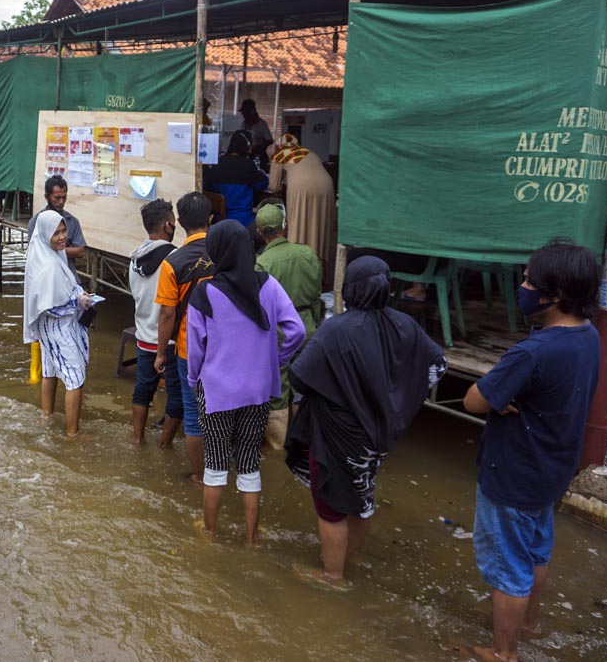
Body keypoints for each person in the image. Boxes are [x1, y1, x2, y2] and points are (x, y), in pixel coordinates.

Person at [462, 241, 600, 662]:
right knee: (535, 551)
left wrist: (497, 394)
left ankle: (503, 652)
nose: (521, 286)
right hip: (552, 469)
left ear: (552, 296)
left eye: (527, 280)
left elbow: (473, 400)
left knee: (508, 568)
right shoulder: (589, 336)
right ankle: (529, 624)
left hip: (513, 474)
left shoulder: (532, 352)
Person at [286, 256, 446, 589]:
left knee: (330, 504)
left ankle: (333, 576)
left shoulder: (337, 328)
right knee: (363, 493)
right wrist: (400, 401)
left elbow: (300, 377)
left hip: (338, 432)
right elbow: (437, 365)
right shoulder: (405, 324)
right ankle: (353, 558)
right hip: (379, 433)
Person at [187, 220, 304, 543]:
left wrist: (193, 378)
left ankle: (209, 531)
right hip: (257, 392)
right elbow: (297, 330)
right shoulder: (268, 285)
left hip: (216, 392)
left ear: (218, 252)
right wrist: (276, 360)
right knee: (250, 465)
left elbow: (196, 349)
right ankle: (252, 539)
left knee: (215, 465)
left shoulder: (204, 293)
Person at [155, 192, 216, 483]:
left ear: (178, 223)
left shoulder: (173, 262)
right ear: (211, 220)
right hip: (225, 347)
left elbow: (167, 315)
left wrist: (158, 353)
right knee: (220, 409)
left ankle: (199, 476)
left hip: (188, 349)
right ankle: (223, 469)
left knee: (193, 415)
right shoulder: (226, 255)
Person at [254, 203, 322, 450]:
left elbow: (259, 307)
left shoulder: (262, 263)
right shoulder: (307, 253)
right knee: (304, 383)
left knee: (278, 389)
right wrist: (314, 321)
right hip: (307, 324)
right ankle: (303, 441)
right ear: (285, 227)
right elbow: (316, 294)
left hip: (278, 332)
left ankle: (277, 447)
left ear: (261, 232)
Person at [23, 211, 93, 436]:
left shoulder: (45, 254)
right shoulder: (50, 266)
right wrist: (78, 301)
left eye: (64, 231)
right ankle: (73, 433)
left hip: (48, 329)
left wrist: (76, 293)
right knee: (75, 379)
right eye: (57, 233)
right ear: (45, 234)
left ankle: (47, 415)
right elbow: (50, 305)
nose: (62, 237)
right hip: (58, 327)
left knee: (50, 370)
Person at [129, 199, 182, 446]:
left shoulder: (134, 258)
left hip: (143, 336)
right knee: (177, 395)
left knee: (143, 389)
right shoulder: (174, 258)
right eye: (173, 219)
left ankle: (138, 439)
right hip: (168, 340)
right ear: (166, 225)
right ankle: (164, 445)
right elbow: (169, 310)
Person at [267, 133, 337, 265]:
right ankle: (319, 267)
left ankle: (298, 264)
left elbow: (274, 186)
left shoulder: (280, 153)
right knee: (319, 225)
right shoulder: (308, 151)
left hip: (301, 188)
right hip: (327, 187)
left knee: (299, 223)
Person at [203, 131, 269, 227]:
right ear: (247, 147)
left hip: (218, 221)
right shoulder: (247, 165)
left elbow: (207, 187)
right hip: (243, 221)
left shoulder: (217, 163)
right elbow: (263, 184)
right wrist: (261, 173)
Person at [27, 175, 87, 275]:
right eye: (57, 198)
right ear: (47, 197)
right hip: (45, 276)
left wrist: (50, 248)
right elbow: (34, 253)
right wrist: (68, 249)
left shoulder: (72, 221)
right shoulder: (35, 222)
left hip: (69, 275)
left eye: (64, 197)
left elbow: (80, 251)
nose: (61, 202)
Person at [239, 98, 274, 169]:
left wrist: (259, 147)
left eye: (246, 113)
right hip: (247, 157)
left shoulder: (262, 124)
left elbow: (270, 140)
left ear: (252, 112)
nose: (244, 115)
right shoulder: (243, 124)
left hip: (260, 158)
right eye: (243, 113)